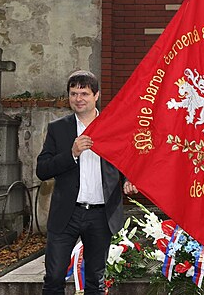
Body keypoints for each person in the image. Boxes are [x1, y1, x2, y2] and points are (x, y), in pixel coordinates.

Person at [36, 70, 138, 295]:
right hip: (66, 214)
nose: (78, 98)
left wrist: (130, 178)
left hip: (101, 215)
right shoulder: (58, 128)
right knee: (53, 277)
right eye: (73, 93)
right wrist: (71, 154)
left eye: (84, 93)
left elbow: (129, 159)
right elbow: (42, 170)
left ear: (96, 95)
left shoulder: (114, 126)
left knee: (95, 280)